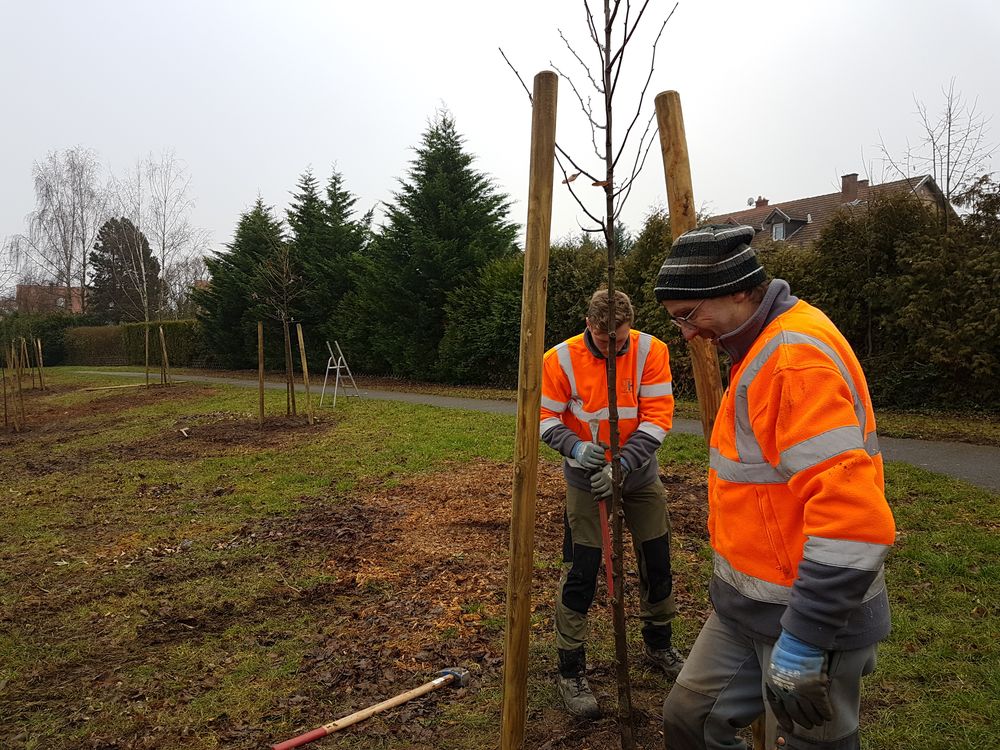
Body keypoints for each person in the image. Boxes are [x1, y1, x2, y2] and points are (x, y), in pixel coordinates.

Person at [653, 225, 896, 749]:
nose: (686, 334)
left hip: (809, 616)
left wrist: (806, 637)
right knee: (690, 718)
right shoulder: (761, 344)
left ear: (739, 291)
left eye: (689, 315)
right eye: (677, 321)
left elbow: (855, 522)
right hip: (750, 606)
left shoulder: (790, 361)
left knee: (816, 743)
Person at [540, 288, 684, 719]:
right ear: (589, 326)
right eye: (605, 341)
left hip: (638, 475)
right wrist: (576, 448)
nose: (612, 348)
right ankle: (570, 668)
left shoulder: (651, 351)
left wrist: (620, 466)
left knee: (657, 557)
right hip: (584, 479)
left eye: (619, 340)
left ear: (629, 327)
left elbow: (657, 419)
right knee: (582, 568)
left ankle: (659, 644)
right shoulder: (559, 359)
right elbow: (545, 418)